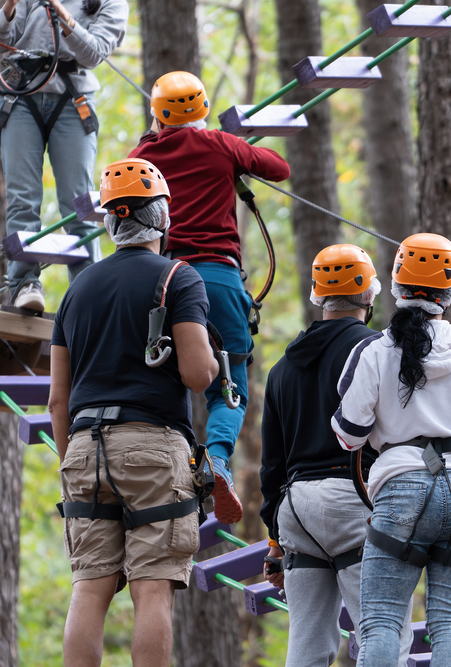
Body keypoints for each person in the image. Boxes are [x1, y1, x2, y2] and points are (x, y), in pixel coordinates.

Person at [48, 158, 219, 667]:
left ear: (109, 222)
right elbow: (196, 374)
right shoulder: (178, 278)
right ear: (163, 217)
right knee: (152, 589)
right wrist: (210, 354)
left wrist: (71, 463)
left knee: (90, 588)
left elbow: (58, 398)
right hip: (150, 445)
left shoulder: (76, 290)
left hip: (82, 447)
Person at [331, 233, 451, 667]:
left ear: (394, 285)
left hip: (401, 488)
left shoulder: (374, 350)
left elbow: (349, 434)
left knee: (380, 621)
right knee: (450, 621)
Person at [129, 71, 291, 524]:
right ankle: (217, 459)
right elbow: (279, 168)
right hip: (218, 276)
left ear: (158, 114)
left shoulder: (145, 155)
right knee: (228, 388)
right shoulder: (221, 145)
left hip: (164, 280)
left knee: (167, 380)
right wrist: (239, 152)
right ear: (200, 111)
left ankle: (169, 473)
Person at [259, 244, 413, 667]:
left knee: (308, 646)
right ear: (369, 295)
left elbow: (272, 465)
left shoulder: (282, 370)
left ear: (317, 294)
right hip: (355, 501)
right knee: (385, 635)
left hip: (297, 509)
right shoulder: (379, 352)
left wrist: (275, 539)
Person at [0, 0, 129, 311]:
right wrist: (10, 8)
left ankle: (89, 293)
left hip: (73, 98)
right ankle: (24, 284)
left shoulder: (111, 3)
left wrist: (61, 12)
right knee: (22, 198)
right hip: (22, 96)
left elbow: (93, 52)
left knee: (79, 202)